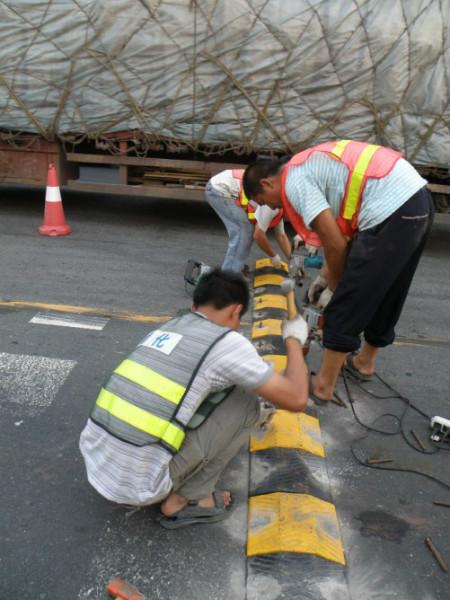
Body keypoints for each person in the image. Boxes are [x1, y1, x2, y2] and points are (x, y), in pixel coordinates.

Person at [79, 268, 309, 528]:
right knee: (247, 403)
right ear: (236, 311)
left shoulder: (170, 327)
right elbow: (296, 398)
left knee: (222, 387)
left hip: (98, 460)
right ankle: (189, 500)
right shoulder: (226, 342)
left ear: (194, 306)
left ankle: (173, 479)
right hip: (138, 484)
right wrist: (293, 340)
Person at [243, 139, 433, 403]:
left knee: (348, 297)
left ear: (267, 183)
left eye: (263, 201)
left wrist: (333, 286)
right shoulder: (306, 165)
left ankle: (323, 384)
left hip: (389, 209)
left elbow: (334, 243)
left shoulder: (294, 181)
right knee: (389, 288)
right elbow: (339, 236)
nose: (271, 208)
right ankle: (364, 362)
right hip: (416, 200)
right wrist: (325, 274)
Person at [205, 169, 290, 273]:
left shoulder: (279, 203)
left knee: (244, 232)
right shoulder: (272, 205)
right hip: (220, 189)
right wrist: (274, 256)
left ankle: (233, 270)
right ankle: (229, 276)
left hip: (223, 187)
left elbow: (281, 236)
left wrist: (293, 261)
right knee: (243, 233)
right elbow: (258, 235)